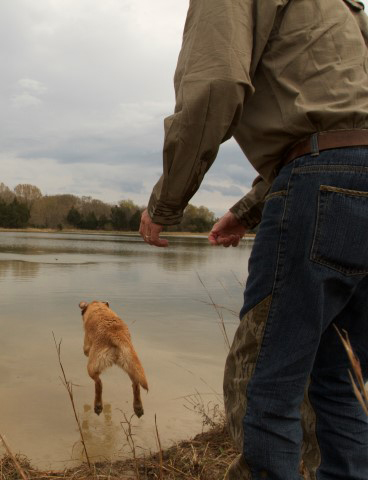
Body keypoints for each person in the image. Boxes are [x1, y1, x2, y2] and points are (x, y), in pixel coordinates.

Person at [139, 0, 368, 478]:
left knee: (263, 384)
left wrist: (166, 203)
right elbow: (345, 126)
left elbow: (215, 85)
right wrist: (248, 210)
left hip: (315, 186)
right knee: (344, 386)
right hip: (344, 179)